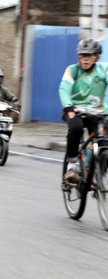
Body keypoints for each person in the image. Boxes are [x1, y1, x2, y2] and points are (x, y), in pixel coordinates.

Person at [59, 38, 108, 183]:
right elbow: (64, 88)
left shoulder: (104, 69)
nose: (85, 59)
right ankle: (72, 166)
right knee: (76, 128)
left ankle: (96, 172)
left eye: (89, 56)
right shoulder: (72, 70)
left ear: (97, 57)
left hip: (98, 112)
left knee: (105, 141)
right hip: (75, 110)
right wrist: (68, 106)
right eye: (82, 55)